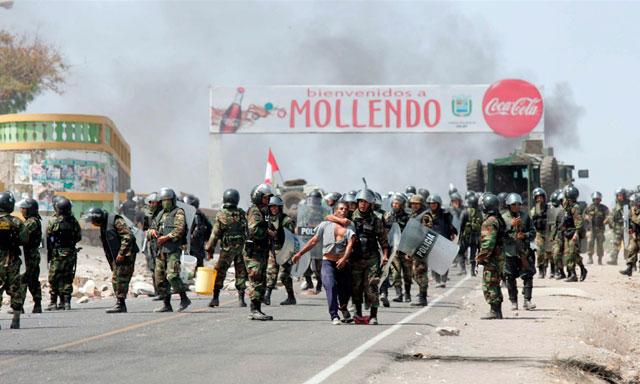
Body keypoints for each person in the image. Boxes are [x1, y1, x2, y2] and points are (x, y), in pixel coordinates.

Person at [327, 189, 388, 325]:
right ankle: (358, 315)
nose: (363, 205)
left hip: (372, 258)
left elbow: (383, 240)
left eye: (366, 202)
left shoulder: (376, 220)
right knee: (356, 288)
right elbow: (329, 218)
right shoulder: (350, 217)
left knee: (372, 287)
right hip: (355, 258)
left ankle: (373, 316)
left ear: (370, 204)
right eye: (360, 201)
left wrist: (385, 256)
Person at [293, 201, 355, 324]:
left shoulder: (350, 225)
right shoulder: (325, 225)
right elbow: (313, 241)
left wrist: (344, 258)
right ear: (336, 211)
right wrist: (300, 253)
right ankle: (334, 315)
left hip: (343, 263)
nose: (343, 211)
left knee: (346, 290)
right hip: (328, 262)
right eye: (341, 209)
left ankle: (343, 307)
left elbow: (350, 244)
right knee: (330, 286)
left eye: (345, 209)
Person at [84, 207, 139, 313]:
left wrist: (122, 253)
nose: (92, 224)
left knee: (119, 279)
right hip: (118, 255)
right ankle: (120, 303)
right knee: (116, 278)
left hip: (126, 253)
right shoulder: (105, 224)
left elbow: (128, 236)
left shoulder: (115, 220)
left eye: (93, 221)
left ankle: (120, 304)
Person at [149, 188, 191, 312]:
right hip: (160, 250)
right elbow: (151, 228)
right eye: (163, 200)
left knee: (172, 276)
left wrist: (166, 238)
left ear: (172, 200)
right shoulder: (160, 214)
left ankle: (184, 298)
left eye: (168, 200)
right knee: (160, 278)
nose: (165, 202)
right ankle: (166, 304)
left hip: (173, 249)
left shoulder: (178, 212)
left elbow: (180, 229)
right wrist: (152, 232)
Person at [205, 189, 249, 308]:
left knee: (220, 272)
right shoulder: (242, 213)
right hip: (241, 248)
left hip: (227, 249)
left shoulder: (221, 214)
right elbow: (248, 231)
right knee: (241, 273)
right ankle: (241, 299)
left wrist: (209, 249)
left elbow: (215, 234)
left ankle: (215, 298)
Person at [244, 184, 275, 320]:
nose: (268, 200)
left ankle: (258, 309)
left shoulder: (264, 211)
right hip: (254, 251)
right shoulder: (255, 211)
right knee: (256, 279)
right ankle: (254, 310)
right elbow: (254, 230)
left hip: (261, 250)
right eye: (265, 198)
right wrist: (268, 232)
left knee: (261, 279)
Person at [46, 196, 82, 311]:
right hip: (70, 253)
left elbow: (47, 236)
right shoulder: (73, 221)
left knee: (54, 277)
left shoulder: (53, 221)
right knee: (67, 277)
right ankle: (66, 302)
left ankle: (53, 302)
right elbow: (78, 236)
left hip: (57, 253)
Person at [502, 193, 536, 310]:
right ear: (508, 205)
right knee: (510, 277)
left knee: (528, 275)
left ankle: (527, 300)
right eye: (513, 204)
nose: (516, 206)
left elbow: (533, 232)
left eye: (518, 204)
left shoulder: (525, 217)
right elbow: (500, 235)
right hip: (509, 252)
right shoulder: (503, 218)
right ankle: (513, 302)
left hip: (523, 251)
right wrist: (511, 226)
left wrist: (524, 235)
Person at [475, 193, 506, 320]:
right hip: (498, 255)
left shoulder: (489, 221)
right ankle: (496, 310)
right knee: (494, 282)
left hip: (493, 257)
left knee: (490, 282)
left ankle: (495, 311)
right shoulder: (497, 218)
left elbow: (488, 242)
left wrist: (481, 258)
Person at [264, 195, 297, 306]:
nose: (273, 209)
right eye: (271, 207)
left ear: (279, 207)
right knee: (271, 274)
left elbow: (292, 238)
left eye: (275, 207)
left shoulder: (286, 220)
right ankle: (267, 296)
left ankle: (291, 297)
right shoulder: (267, 219)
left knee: (284, 276)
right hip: (273, 250)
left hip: (285, 251)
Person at [0, 192, 26, 329]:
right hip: (12, 259)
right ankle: (16, 320)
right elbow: (24, 239)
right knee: (15, 288)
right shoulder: (16, 222)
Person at [16, 198, 43, 313]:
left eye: (23, 209)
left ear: (29, 210)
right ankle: (37, 304)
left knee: (23, 279)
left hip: (29, 255)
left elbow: (21, 235)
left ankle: (19, 307)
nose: (21, 210)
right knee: (32, 280)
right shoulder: (33, 220)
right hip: (30, 255)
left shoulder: (32, 222)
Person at [383, 193, 411, 303]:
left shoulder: (408, 217)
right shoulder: (388, 216)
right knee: (395, 273)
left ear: (402, 205)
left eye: (397, 203)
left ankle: (407, 294)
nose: (395, 205)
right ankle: (399, 294)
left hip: (405, 249)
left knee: (407, 273)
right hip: (394, 249)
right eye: (393, 203)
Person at [426, 195, 457, 288]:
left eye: (434, 204)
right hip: (431, 239)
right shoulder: (426, 215)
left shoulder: (445, 214)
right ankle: (437, 280)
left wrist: (453, 233)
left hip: (444, 239)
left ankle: (443, 280)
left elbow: (451, 226)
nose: (433, 205)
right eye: (431, 204)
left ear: (438, 204)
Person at [560, 186, 587, 282]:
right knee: (570, 254)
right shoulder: (567, 206)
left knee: (571, 253)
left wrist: (576, 234)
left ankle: (573, 274)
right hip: (567, 232)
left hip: (573, 233)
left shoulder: (575, 207)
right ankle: (582, 269)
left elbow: (578, 222)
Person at [183, 194, 212, 269]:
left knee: (195, 266)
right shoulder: (194, 213)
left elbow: (199, 228)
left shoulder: (196, 214)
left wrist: (190, 239)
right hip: (195, 245)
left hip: (195, 245)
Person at [457, 193, 483, 276]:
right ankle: (472, 271)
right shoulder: (479, 213)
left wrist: (459, 237)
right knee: (473, 255)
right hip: (475, 238)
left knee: (461, 253)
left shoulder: (465, 212)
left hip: (466, 237)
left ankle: (463, 269)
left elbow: (461, 225)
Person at [530, 188, 552, 278]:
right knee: (539, 252)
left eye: (541, 197)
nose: (539, 199)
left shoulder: (549, 208)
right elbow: (530, 221)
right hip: (538, 233)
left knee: (549, 253)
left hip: (548, 232)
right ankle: (541, 269)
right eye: (537, 198)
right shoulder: (534, 210)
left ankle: (551, 270)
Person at [584, 192, 609, 265]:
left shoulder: (604, 208)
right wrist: (586, 217)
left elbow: (609, 215)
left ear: (600, 199)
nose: (596, 200)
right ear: (593, 199)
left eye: (598, 199)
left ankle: (600, 258)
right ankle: (590, 257)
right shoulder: (589, 207)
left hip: (600, 229)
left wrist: (606, 220)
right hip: (591, 229)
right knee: (590, 242)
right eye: (595, 199)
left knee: (600, 244)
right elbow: (584, 215)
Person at [606, 188, 627, 265]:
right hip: (617, 228)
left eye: (621, 195)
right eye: (618, 196)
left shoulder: (628, 205)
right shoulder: (616, 207)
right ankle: (614, 259)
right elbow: (611, 217)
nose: (620, 197)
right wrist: (612, 224)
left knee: (627, 245)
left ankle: (630, 261)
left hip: (627, 228)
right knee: (615, 244)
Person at [620, 193, 640, 276]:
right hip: (635, 235)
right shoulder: (631, 211)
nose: (634, 204)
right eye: (632, 202)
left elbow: (638, 221)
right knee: (631, 249)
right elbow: (627, 223)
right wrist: (629, 227)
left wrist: (631, 219)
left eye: (635, 202)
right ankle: (629, 268)